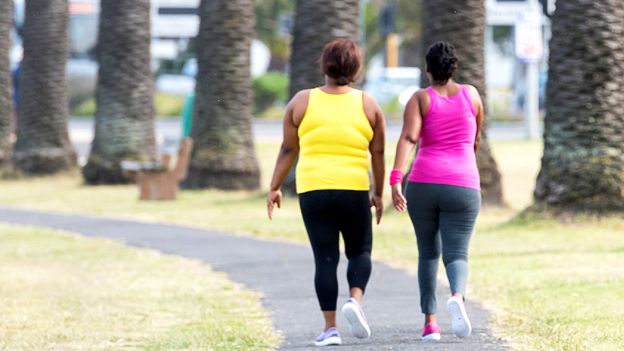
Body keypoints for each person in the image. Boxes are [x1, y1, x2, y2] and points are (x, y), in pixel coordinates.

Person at [267, 38, 385, 347]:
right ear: (356, 68)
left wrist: (274, 186)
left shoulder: (302, 101)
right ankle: (355, 301)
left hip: (313, 189)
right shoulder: (368, 104)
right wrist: (379, 193)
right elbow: (379, 153)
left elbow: (287, 149)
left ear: (325, 65)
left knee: (325, 259)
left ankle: (330, 329)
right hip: (354, 188)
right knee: (359, 252)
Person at [390, 41, 483, 341]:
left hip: (424, 183)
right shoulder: (472, 95)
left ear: (427, 68)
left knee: (428, 253)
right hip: (463, 185)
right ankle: (457, 294)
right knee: (457, 254)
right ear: (454, 67)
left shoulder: (420, 99)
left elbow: (408, 138)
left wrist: (395, 180)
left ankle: (430, 323)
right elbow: (475, 140)